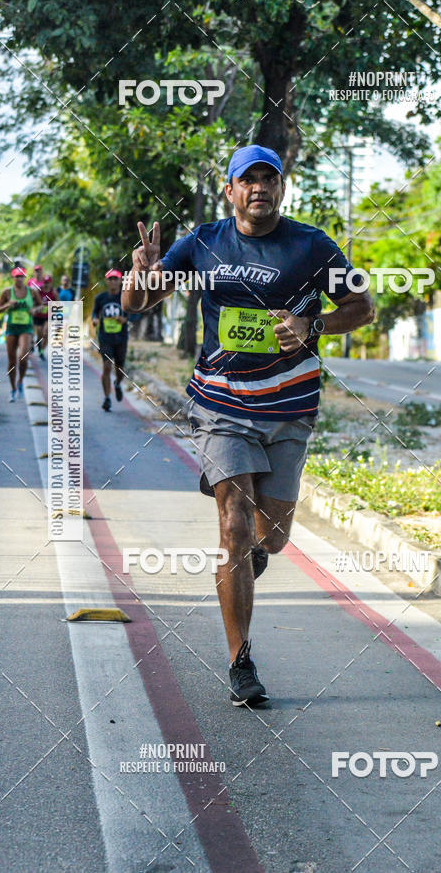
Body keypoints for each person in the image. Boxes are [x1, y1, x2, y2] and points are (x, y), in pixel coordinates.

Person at [122, 144, 374, 707]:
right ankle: (240, 661)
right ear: (230, 190)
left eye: (270, 178)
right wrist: (139, 276)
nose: (260, 187)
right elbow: (138, 303)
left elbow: (362, 308)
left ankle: (260, 551)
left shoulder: (311, 245)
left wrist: (313, 324)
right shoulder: (204, 241)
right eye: (248, 179)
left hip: (289, 404)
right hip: (221, 402)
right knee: (234, 524)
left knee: (273, 536)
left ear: (282, 188)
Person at [0, 266, 42, 401]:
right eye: (17, 276)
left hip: (26, 327)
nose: (19, 279)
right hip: (11, 327)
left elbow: (40, 305)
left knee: (23, 357)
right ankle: (13, 389)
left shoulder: (32, 292)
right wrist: (7, 305)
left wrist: (34, 310)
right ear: (13, 278)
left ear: (25, 278)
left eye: (22, 276)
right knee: (11, 361)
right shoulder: (7, 292)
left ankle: (20, 381)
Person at [92, 269, 129, 411]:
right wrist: (95, 319)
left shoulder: (125, 297)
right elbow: (95, 312)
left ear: (120, 281)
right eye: (110, 279)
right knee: (106, 366)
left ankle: (118, 383)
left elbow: (130, 315)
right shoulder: (100, 298)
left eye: (115, 279)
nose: (113, 282)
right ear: (107, 281)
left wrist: (123, 319)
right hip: (105, 337)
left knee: (119, 367)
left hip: (121, 338)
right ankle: (107, 398)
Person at [31, 273, 58, 361]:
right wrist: (37, 307)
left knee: (46, 332)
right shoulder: (38, 291)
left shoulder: (53, 292)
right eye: (45, 282)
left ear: (50, 283)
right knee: (39, 332)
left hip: (49, 316)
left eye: (48, 282)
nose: (46, 284)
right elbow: (33, 301)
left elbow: (58, 303)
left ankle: (42, 350)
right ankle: (38, 344)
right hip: (39, 315)